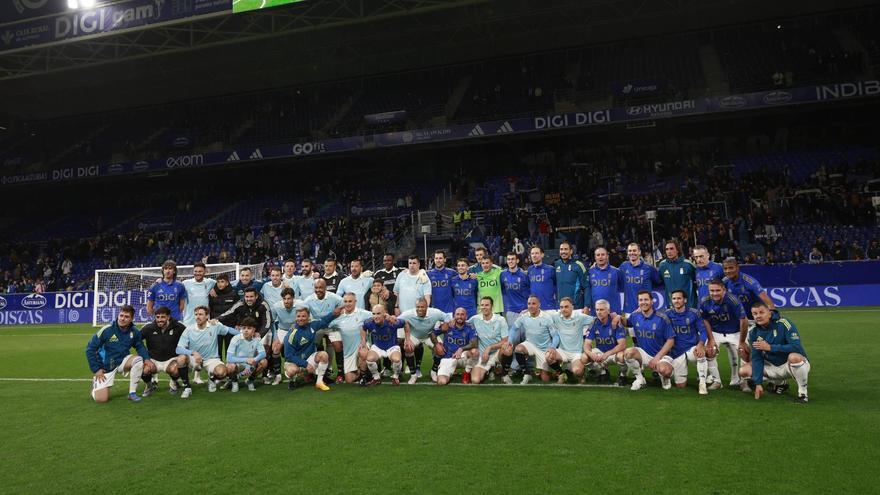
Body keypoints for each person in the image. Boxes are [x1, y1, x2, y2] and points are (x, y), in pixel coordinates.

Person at [738, 302, 811, 403]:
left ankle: (803, 394)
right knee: (743, 371)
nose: (758, 316)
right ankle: (779, 383)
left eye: (761, 312)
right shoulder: (753, 332)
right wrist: (758, 384)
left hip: (788, 365)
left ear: (769, 313)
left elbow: (796, 347)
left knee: (794, 357)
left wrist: (770, 347)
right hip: (771, 366)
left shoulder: (784, 323)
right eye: (755, 314)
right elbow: (757, 358)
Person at [86, 305, 149, 403]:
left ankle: (132, 393)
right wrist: (96, 369)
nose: (123, 319)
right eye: (121, 315)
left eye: (126, 316)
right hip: (106, 366)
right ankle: (96, 385)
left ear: (131, 319)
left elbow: (140, 346)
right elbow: (90, 349)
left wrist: (147, 359)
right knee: (101, 399)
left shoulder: (134, 332)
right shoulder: (107, 330)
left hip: (123, 361)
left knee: (138, 360)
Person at [175, 306, 240, 398]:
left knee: (222, 372)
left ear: (207, 316)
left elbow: (229, 330)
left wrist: (243, 335)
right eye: (196, 314)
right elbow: (178, 349)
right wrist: (193, 352)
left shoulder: (215, 326)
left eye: (201, 314)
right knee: (181, 358)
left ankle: (212, 379)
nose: (198, 317)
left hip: (211, 359)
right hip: (195, 359)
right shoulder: (189, 330)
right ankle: (187, 388)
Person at [699, 280, 750, 391]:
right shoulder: (704, 301)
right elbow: (705, 320)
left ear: (724, 290)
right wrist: (711, 339)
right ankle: (717, 381)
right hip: (716, 332)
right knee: (709, 351)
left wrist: (742, 342)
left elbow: (744, 321)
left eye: (718, 290)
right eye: (712, 290)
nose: (715, 293)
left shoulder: (733, 300)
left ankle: (744, 381)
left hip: (735, 332)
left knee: (745, 352)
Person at [218, 287, 276, 383]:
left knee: (264, 355)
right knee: (239, 352)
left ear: (256, 296)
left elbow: (268, 322)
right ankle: (233, 376)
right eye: (247, 296)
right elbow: (229, 312)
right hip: (247, 329)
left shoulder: (263, 304)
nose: (249, 299)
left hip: (262, 330)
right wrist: (216, 319)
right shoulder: (241, 303)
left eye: (251, 296)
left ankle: (261, 375)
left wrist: (260, 334)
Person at [620, 291, 675, 391]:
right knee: (628, 353)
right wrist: (618, 317)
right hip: (644, 354)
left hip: (661, 355)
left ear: (652, 301)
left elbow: (671, 341)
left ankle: (664, 378)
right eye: (641, 300)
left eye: (646, 300)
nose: (643, 302)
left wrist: (657, 358)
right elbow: (626, 323)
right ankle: (640, 379)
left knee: (665, 370)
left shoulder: (662, 318)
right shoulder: (635, 316)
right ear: (638, 302)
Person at [665, 290, 711, 395]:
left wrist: (700, 344)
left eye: (679, 298)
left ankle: (702, 383)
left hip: (692, 347)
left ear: (685, 300)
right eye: (674, 298)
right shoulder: (667, 314)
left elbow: (703, 331)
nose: (676, 301)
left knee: (700, 353)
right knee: (681, 385)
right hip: (677, 352)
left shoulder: (694, 313)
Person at [398, 297, 453, 384]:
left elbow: (447, 316)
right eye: (418, 307)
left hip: (429, 336)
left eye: (422, 307)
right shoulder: (408, 314)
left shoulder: (435, 312)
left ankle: (433, 372)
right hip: (414, 336)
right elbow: (398, 320)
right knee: (408, 347)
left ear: (427, 307)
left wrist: (446, 323)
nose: (419, 309)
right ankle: (413, 375)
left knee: (441, 350)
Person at [506, 295, 558, 385]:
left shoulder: (547, 317)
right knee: (518, 349)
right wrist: (510, 341)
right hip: (530, 345)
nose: (531, 306)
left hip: (544, 349)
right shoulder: (524, 316)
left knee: (545, 379)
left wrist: (553, 347)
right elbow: (514, 328)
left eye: (533, 303)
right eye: (529, 303)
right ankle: (527, 373)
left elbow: (556, 336)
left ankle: (552, 372)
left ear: (539, 305)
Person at [283, 307, 336, 391]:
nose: (301, 319)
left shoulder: (312, 326)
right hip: (294, 362)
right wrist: (305, 364)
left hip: (309, 359)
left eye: (303, 316)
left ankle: (319, 382)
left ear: (308, 318)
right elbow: (289, 356)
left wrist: (334, 313)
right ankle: (293, 380)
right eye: (298, 316)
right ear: (296, 318)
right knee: (291, 370)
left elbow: (324, 321)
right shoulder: (292, 335)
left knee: (324, 355)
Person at [325, 293, 374, 384]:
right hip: (348, 352)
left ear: (355, 302)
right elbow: (325, 324)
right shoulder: (339, 318)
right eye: (345, 301)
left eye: (350, 301)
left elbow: (377, 315)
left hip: (361, 346)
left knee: (363, 353)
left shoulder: (363, 313)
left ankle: (364, 376)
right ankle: (363, 371)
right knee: (349, 380)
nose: (347, 304)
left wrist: (389, 317)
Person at [303, 279, 345, 382]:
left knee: (338, 345)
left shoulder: (334, 297)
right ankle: (310, 371)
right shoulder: (308, 300)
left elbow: (344, 305)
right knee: (308, 344)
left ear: (325, 288)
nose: (318, 290)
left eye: (321, 288)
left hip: (331, 326)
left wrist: (339, 314)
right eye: (316, 288)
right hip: (317, 327)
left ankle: (340, 372)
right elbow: (303, 312)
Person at [543, 297, 593, 384]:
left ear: (572, 307)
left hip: (576, 353)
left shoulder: (580, 317)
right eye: (561, 307)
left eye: (566, 307)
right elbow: (542, 314)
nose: (563, 309)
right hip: (563, 351)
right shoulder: (556, 316)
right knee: (548, 356)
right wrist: (526, 312)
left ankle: (581, 375)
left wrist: (615, 317)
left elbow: (595, 319)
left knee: (577, 371)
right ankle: (561, 374)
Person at [140, 306, 186, 396]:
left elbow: (190, 336)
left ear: (168, 317)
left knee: (176, 370)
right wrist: (144, 355)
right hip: (153, 360)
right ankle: (149, 386)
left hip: (171, 359)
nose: (159, 320)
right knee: (143, 369)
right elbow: (136, 340)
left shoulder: (178, 326)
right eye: (157, 317)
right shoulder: (148, 328)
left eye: (162, 317)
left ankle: (173, 383)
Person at [584, 300, 628, 386]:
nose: (599, 312)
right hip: (601, 352)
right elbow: (586, 344)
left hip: (614, 353)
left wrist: (608, 353)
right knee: (584, 357)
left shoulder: (616, 322)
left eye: (601, 310)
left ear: (608, 311)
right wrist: (590, 353)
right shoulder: (594, 323)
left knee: (621, 356)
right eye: (597, 310)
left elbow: (622, 345)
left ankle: (623, 376)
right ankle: (603, 372)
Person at [468, 297, 510, 384]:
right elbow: (462, 324)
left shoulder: (500, 320)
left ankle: (504, 373)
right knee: (475, 380)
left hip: (497, 353)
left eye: (487, 305)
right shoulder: (475, 319)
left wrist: (489, 348)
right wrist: (452, 321)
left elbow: (505, 341)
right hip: (483, 356)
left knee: (507, 348)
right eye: (482, 305)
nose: (484, 307)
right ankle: (490, 370)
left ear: (492, 306)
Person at [361, 304, 406, 385]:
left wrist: (408, 339)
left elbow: (406, 323)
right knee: (369, 359)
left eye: (378, 313)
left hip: (392, 346)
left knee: (396, 359)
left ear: (384, 313)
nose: (375, 316)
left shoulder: (392, 321)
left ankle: (396, 377)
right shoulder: (369, 322)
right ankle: (376, 378)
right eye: (373, 314)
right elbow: (363, 328)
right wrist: (363, 341)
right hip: (378, 347)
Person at [434, 308, 479, 386]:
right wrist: (437, 344)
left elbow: (474, 343)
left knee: (474, 352)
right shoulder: (447, 325)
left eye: (462, 314)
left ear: (466, 317)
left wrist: (461, 349)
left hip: (463, 357)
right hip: (449, 357)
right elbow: (432, 333)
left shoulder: (470, 327)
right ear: (454, 316)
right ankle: (446, 371)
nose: (460, 316)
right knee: (442, 382)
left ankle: (467, 372)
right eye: (457, 314)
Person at [224, 317, 268, 392]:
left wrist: (254, 360)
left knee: (264, 362)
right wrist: (246, 360)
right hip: (238, 365)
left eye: (249, 328)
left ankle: (250, 380)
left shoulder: (256, 339)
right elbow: (229, 358)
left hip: (251, 365)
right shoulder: (236, 338)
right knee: (230, 366)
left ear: (254, 330)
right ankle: (234, 382)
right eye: (244, 328)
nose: (246, 330)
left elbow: (263, 353)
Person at [619, 243, 660, 314]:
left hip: (646, 310)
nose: (632, 253)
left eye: (634, 250)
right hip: (629, 310)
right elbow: (613, 274)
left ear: (639, 252)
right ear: (627, 252)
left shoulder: (649, 268)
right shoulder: (623, 266)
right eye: (630, 251)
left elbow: (659, 282)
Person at [657, 241, 696, 308]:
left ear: (677, 250)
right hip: (671, 307)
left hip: (689, 306)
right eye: (667, 249)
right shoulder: (662, 265)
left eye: (671, 248)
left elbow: (697, 281)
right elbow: (659, 281)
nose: (669, 251)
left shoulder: (688, 264)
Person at [588, 246, 624, 314]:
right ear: (595, 257)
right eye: (598, 255)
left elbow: (622, 289)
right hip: (595, 312)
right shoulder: (589, 272)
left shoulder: (616, 271)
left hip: (613, 312)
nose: (600, 257)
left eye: (603, 254)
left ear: (607, 256)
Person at [554, 241, 589, 309]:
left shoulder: (579, 265)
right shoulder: (556, 264)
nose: (563, 251)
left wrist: (587, 306)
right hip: (560, 307)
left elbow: (586, 286)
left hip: (575, 307)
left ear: (571, 251)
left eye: (566, 249)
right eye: (561, 249)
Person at [500, 251, 530, 329]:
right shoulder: (503, 275)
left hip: (524, 310)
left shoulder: (524, 275)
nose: (511, 261)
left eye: (513, 259)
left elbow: (530, 291)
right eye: (509, 259)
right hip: (510, 310)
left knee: (524, 336)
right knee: (513, 337)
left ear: (517, 260)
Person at [527, 246, 556, 310]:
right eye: (532, 253)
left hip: (549, 307)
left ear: (542, 255)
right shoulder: (529, 270)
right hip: (534, 308)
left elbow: (557, 285)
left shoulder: (550, 269)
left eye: (536, 253)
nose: (534, 255)